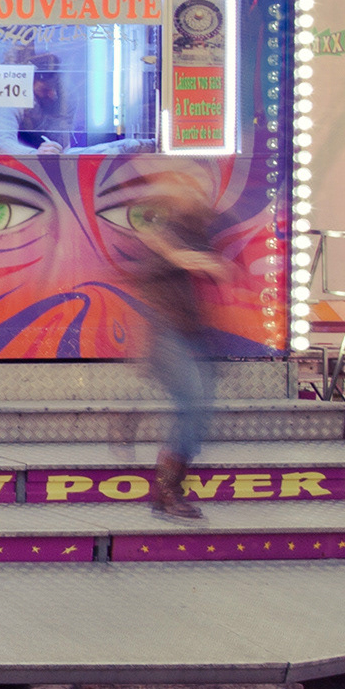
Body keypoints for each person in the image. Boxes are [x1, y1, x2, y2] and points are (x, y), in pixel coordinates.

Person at [120, 169, 231, 519]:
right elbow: (153, 272)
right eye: (191, 193)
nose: (199, 198)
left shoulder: (194, 234)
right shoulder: (166, 235)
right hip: (167, 333)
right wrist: (186, 257)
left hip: (185, 333)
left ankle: (167, 489)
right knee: (194, 405)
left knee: (198, 409)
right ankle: (167, 492)